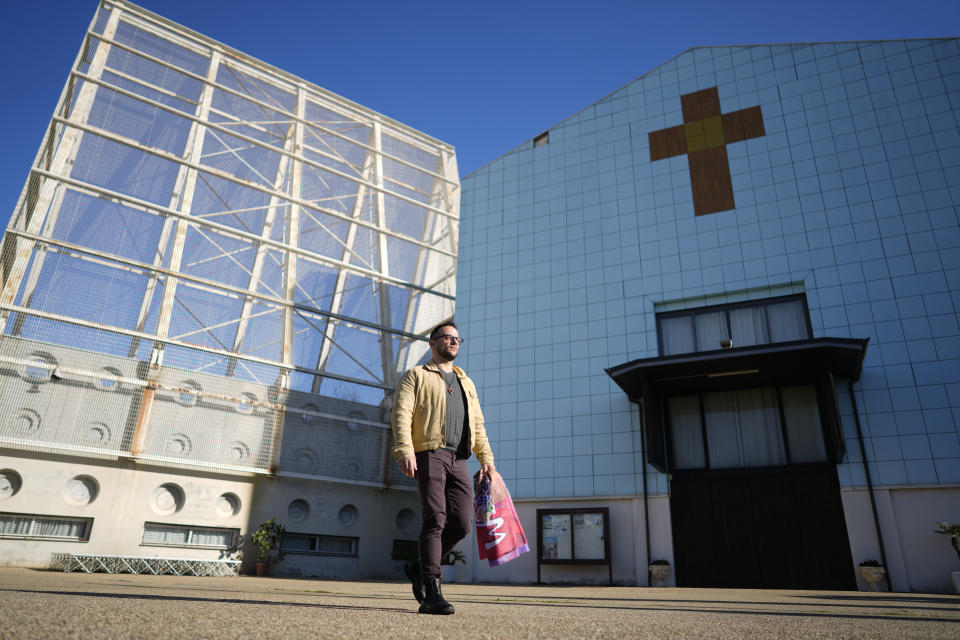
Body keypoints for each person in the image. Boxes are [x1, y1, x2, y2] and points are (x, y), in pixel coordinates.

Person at [391, 321, 496, 615]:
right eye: (447, 337)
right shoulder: (415, 376)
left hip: (459, 459)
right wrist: (404, 449)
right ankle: (432, 592)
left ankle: (417, 566)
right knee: (435, 517)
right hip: (429, 453)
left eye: (456, 339)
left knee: (462, 524)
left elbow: (477, 425)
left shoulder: (466, 382)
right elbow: (401, 414)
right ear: (432, 342)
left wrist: (487, 460)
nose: (453, 342)